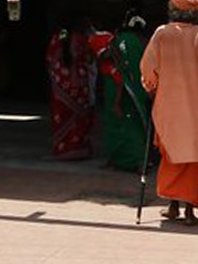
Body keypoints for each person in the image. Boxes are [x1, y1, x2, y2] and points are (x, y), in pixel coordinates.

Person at [140, 0, 198, 226]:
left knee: (172, 155)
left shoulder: (161, 34)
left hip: (169, 109)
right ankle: (187, 210)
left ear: (172, 10)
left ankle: (174, 206)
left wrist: (151, 86)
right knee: (194, 157)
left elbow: (148, 71)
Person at [91, 10, 149, 171]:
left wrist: (117, 103)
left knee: (129, 128)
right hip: (132, 91)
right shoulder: (132, 42)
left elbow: (122, 79)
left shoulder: (121, 45)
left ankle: (136, 162)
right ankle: (117, 159)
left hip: (124, 95)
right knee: (118, 127)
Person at [45, 18, 95, 160]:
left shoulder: (57, 39)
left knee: (61, 117)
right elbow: (88, 58)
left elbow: (50, 58)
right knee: (80, 118)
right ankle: (79, 148)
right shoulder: (80, 39)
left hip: (61, 87)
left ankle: (63, 149)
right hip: (79, 85)